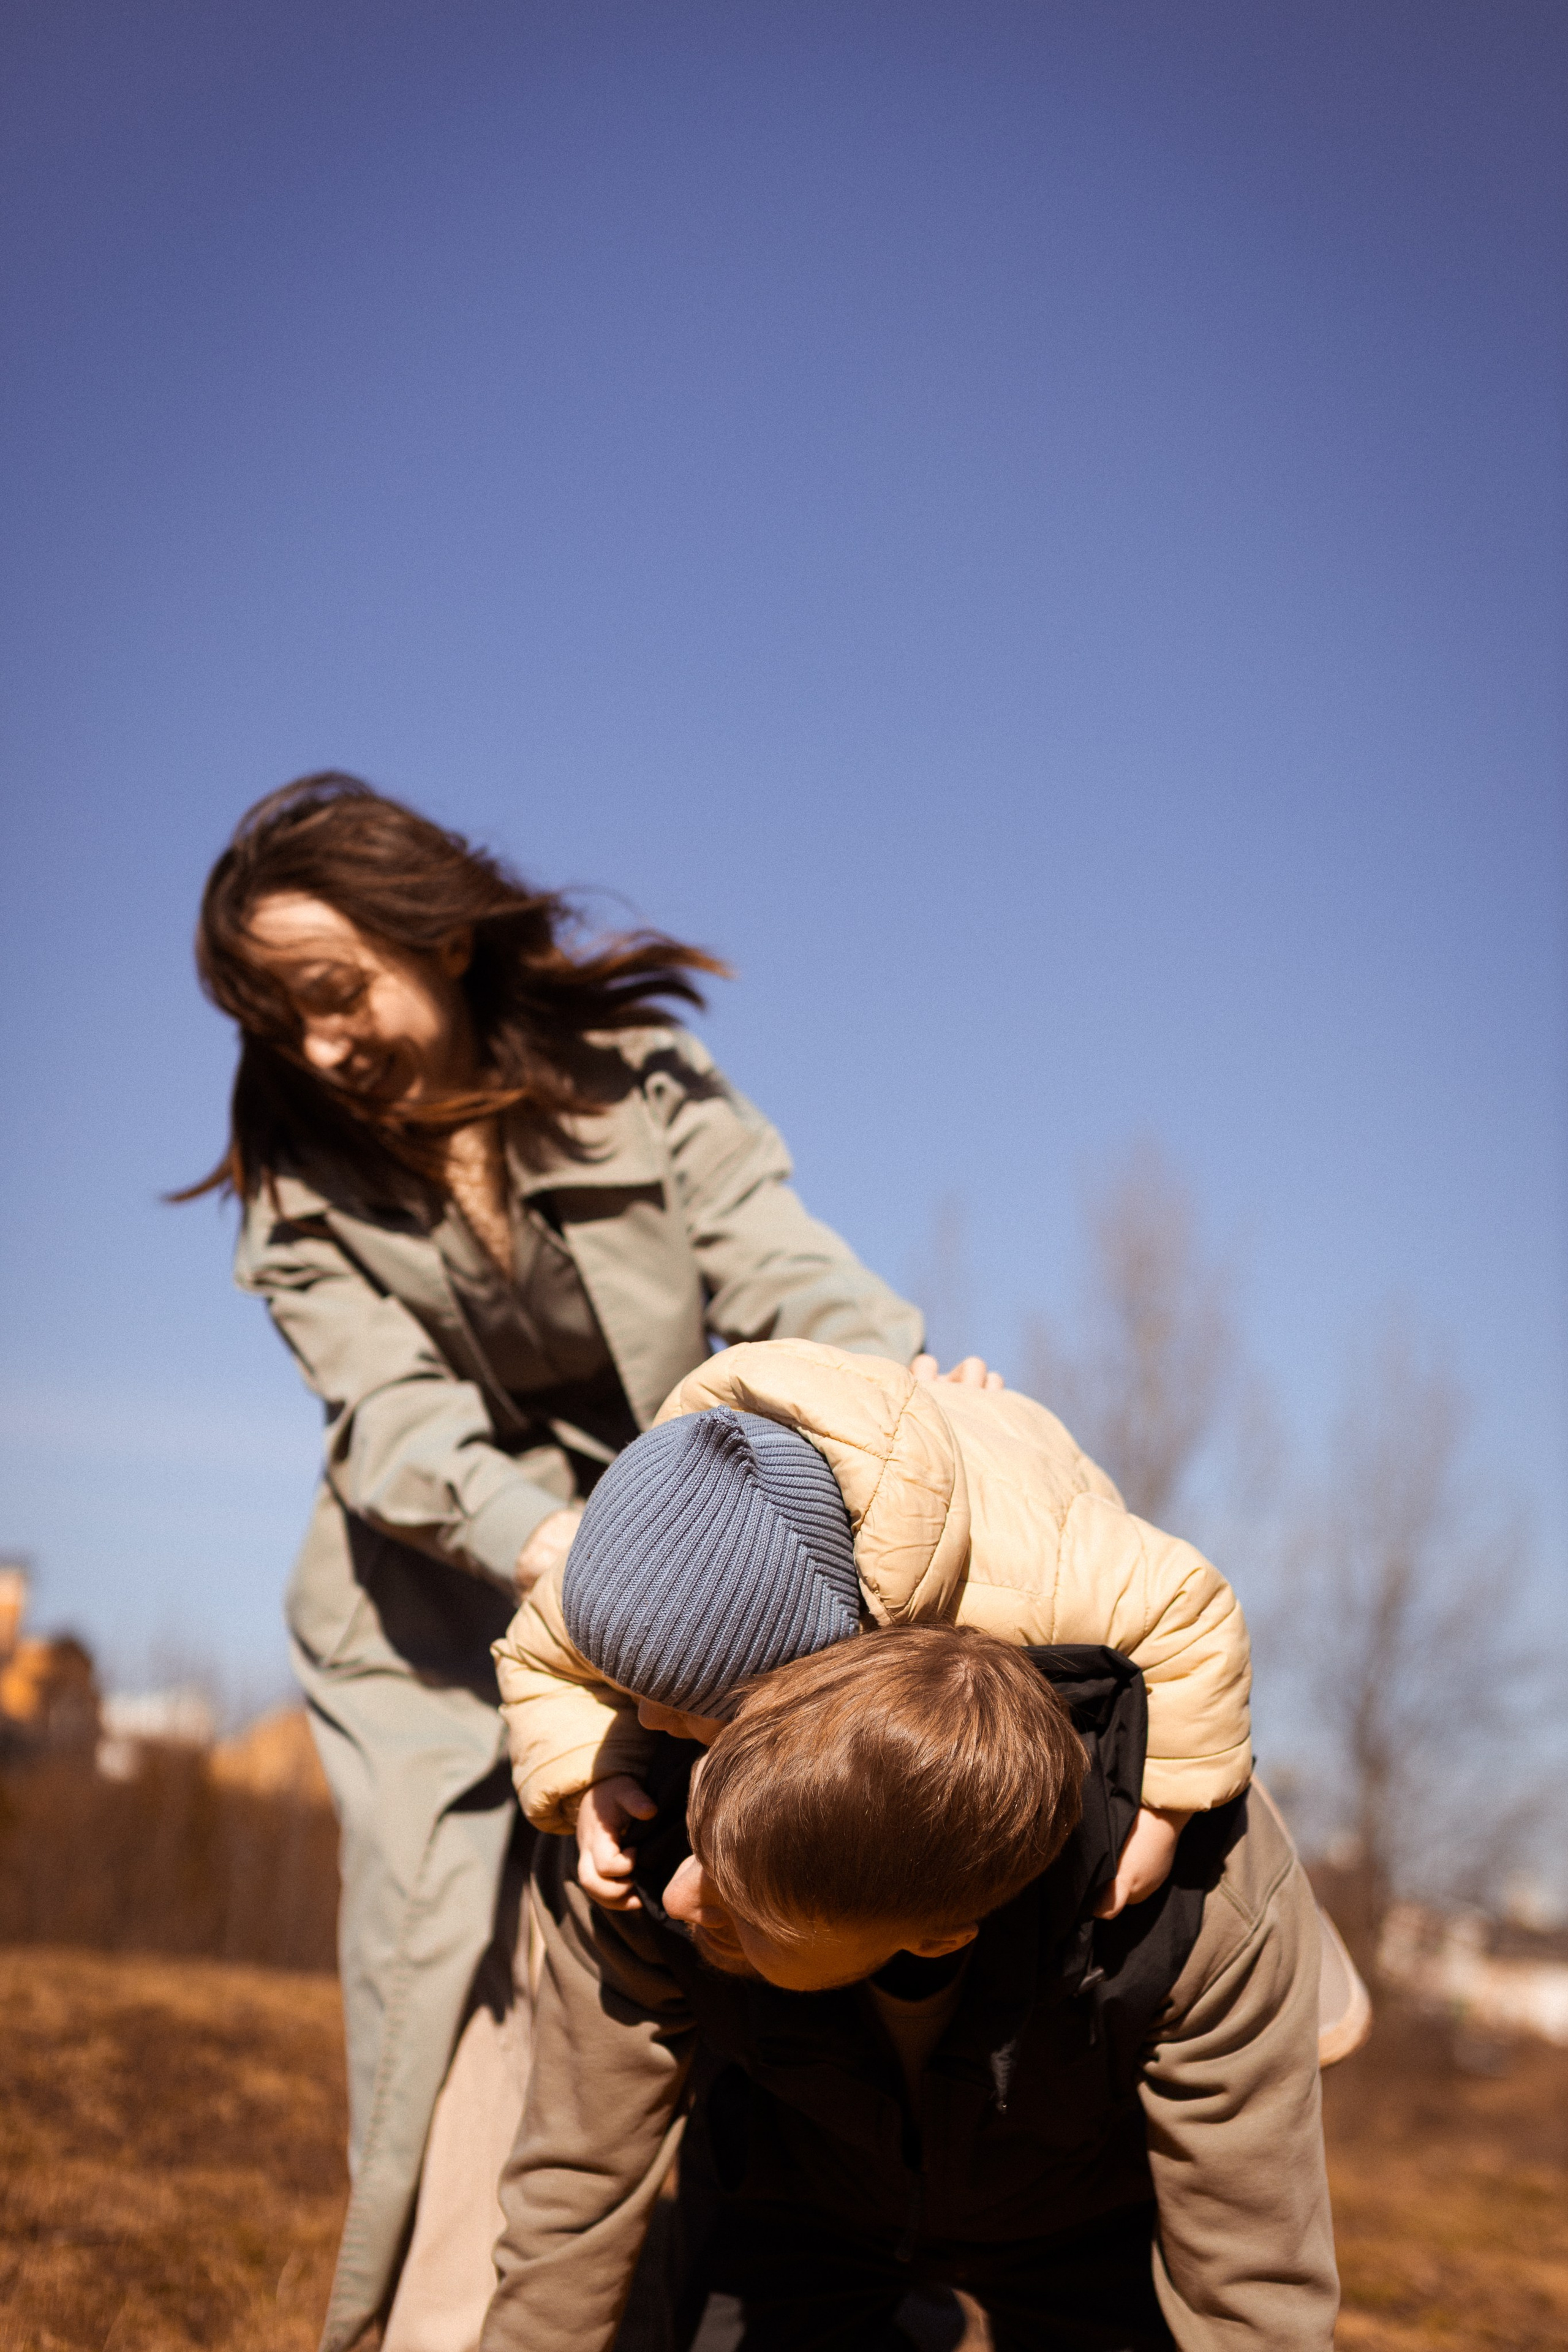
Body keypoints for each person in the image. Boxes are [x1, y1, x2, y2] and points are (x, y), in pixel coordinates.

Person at [181, 772, 948, 2352]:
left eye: (333, 992)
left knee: (756, 1868)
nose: (322, 1045)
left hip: (671, 1557)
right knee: (454, 1967)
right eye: (282, 1020)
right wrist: (553, 1544)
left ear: (438, 935)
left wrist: (903, 1414)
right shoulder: (302, 1191)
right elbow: (386, 1420)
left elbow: (783, 1266)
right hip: (428, 1613)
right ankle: (452, 2322)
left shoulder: (636, 1083)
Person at [481, 1626, 1340, 2352]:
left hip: (1085, 2213)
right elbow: (575, 2189)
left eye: (745, 1911)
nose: (679, 1897)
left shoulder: (1204, 1908)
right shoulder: (638, 1832)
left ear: (939, 1934)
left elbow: (1255, 2285)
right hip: (792, 2190)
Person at [494, 1338, 1254, 1921]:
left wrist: (1163, 1814)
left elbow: (1191, 1607)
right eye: (630, 1691)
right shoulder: (640, 1564)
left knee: (1220, 1830)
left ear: (821, 1658)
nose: (647, 1719)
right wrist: (590, 1771)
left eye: (686, 1705)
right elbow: (535, 1652)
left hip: (1024, 1479)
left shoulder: (1026, 1576)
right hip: (887, 1460)